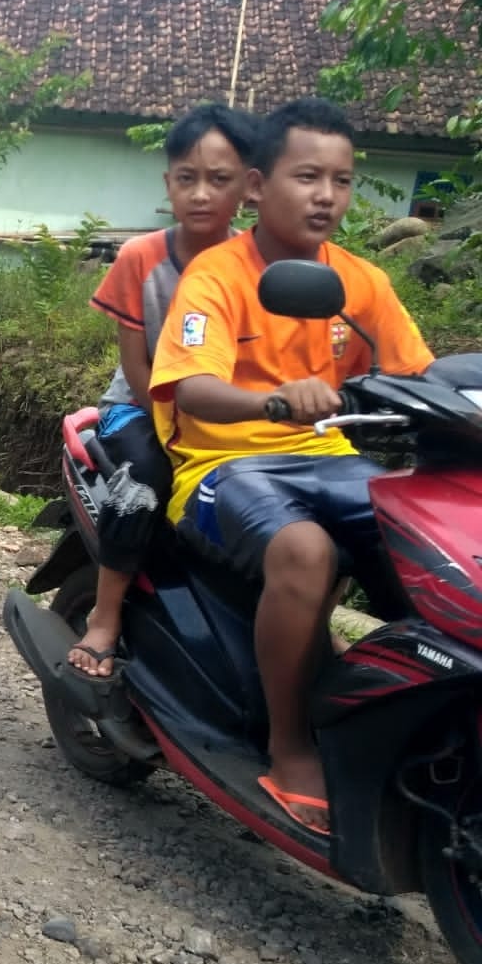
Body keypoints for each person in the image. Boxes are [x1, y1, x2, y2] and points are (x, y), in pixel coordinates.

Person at [149, 98, 434, 835]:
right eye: (307, 177)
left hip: (331, 458)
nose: (326, 196)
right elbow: (193, 389)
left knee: (433, 537)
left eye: (341, 181)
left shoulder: (362, 283)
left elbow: (418, 374)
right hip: (223, 464)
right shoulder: (216, 276)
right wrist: (275, 402)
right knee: (306, 550)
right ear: (257, 185)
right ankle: (290, 745)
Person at [68, 104, 257, 679]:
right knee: (145, 484)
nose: (201, 194)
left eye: (219, 179)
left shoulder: (258, 265)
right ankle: (104, 616)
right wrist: (188, 427)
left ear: (248, 186)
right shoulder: (141, 257)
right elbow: (138, 367)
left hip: (224, 415)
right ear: (168, 183)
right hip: (138, 408)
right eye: (187, 178)